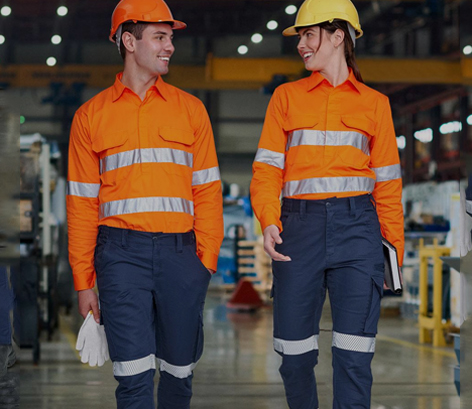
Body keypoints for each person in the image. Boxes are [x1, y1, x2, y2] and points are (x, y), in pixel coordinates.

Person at [66, 0, 224, 407]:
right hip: (120, 257)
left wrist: (205, 262)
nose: (170, 46)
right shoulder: (90, 117)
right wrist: (84, 282)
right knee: (132, 378)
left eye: (170, 38)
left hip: (181, 256)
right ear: (128, 41)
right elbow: (82, 205)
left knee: (179, 376)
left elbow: (208, 191)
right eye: (159, 37)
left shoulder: (192, 111)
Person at [250, 0, 404, 407]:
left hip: (359, 230)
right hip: (298, 230)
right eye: (300, 36)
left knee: (355, 355)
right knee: (294, 354)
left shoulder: (374, 104)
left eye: (308, 34)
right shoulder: (286, 98)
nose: (300, 44)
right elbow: (266, 170)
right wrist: (268, 220)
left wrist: (392, 254)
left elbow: (389, 186)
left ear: (338, 36)